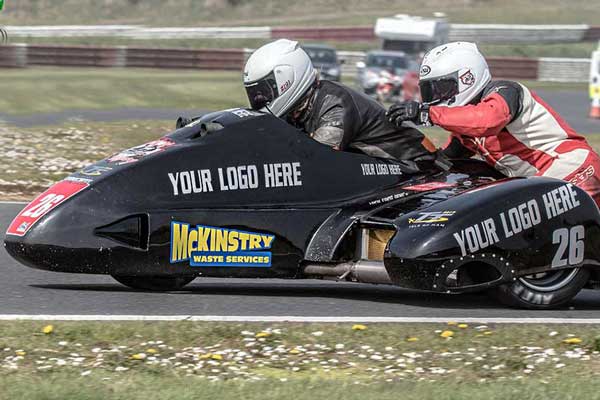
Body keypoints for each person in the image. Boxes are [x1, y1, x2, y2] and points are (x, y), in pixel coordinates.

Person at [387, 41, 600, 206]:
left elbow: (489, 121)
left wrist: (428, 113)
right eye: (430, 91)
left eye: (441, 88)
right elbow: (448, 158)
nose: (435, 97)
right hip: (539, 182)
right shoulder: (466, 126)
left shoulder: (505, 91)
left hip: (572, 169)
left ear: (467, 78)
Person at [242, 39, 447, 167]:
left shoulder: (334, 103)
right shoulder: (300, 106)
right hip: (385, 171)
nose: (259, 100)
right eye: (255, 95)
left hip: (416, 167)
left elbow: (314, 160)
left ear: (286, 78)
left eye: (263, 93)